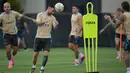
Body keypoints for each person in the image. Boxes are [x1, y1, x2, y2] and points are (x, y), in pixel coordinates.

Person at [0, 2, 35, 69]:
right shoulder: (1, 16)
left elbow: (22, 16)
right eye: (5, 7)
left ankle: (12, 57)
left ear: (10, 7)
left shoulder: (14, 13)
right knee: (8, 49)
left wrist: (31, 19)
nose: (6, 8)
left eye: (8, 7)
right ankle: (10, 62)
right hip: (6, 35)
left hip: (14, 34)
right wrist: (2, 28)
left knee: (15, 51)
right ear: (3, 8)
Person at [30, 6, 58, 73]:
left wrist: (56, 24)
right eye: (52, 10)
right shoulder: (40, 14)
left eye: (53, 11)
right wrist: (43, 22)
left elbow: (55, 27)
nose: (52, 12)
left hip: (47, 38)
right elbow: (38, 23)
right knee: (35, 55)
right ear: (48, 8)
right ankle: (33, 66)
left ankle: (42, 69)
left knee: (46, 54)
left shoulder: (53, 18)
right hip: (38, 37)